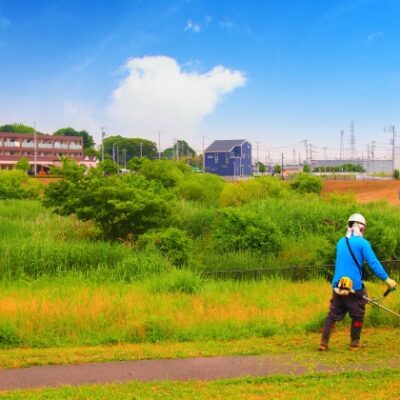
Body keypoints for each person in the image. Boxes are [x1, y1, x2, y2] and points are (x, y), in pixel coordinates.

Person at [319, 213, 397, 351]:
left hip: (337, 285)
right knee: (358, 314)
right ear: (360, 227)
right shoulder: (363, 243)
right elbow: (373, 263)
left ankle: (323, 343)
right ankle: (354, 343)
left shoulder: (340, 242)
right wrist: (387, 279)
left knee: (333, 314)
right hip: (354, 286)